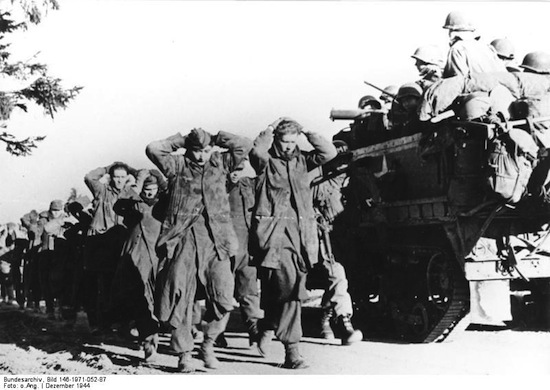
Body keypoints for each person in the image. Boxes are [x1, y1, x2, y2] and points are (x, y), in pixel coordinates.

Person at [146, 128, 250, 373]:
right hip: (183, 239)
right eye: (196, 150)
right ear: (189, 150)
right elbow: (153, 148)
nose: (201, 156)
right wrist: (182, 140)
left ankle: (209, 343)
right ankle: (184, 354)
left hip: (217, 240)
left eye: (205, 151)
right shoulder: (177, 165)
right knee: (179, 296)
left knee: (224, 297)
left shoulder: (220, 162)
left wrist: (215, 139)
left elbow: (244, 143)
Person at [249, 117, 337, 369]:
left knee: (287, 291)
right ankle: (292, 351)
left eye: (292, 141)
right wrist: (267, 129)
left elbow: (328, 152)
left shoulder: (303, 160)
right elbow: (256, 151)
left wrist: (308, 131)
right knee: (292, 293)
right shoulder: (266, 162)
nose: (288, 146)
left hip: (302, 238)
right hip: (275, 237)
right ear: (276, 139)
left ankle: (266, 325)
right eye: (284, 141)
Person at [310, 140, 363, 345]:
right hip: (329, 238)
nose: (342, 165)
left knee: (341, 279)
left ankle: (325, 318)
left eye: (345, 161)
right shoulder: (319, 185)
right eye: (338, 161)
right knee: (337, 275)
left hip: (352, 238)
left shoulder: (356, 180)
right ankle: (345, 323)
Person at [111, 169, 166, 362]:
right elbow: (120, 203)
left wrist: (158, 175)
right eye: (146, 189)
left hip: (159, 258)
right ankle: (149, 343)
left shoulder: (164, 204)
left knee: (160, 300)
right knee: (142, 300)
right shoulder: (133, 204)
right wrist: (138, 181)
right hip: (136, 258)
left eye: (153, 189)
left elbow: (170, 189)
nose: (149, 193)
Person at [83, 161, 136, 333]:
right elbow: (89, 177)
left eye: (122, 177)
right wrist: (107, 168)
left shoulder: (131, 194)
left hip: (122, 244)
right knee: (102, 285)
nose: (119, 180)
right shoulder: (102, 190)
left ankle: (123, 323)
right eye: (116, 177)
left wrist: (132, 171)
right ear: (110, 177)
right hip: (101, 245)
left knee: (123, 285)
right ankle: (101, 324)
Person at [442, 11, 505, 78]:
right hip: (498, 87)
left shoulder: (457, 49)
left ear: (452, 31)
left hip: (476, 88)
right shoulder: (487, 47)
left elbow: (458, 81)